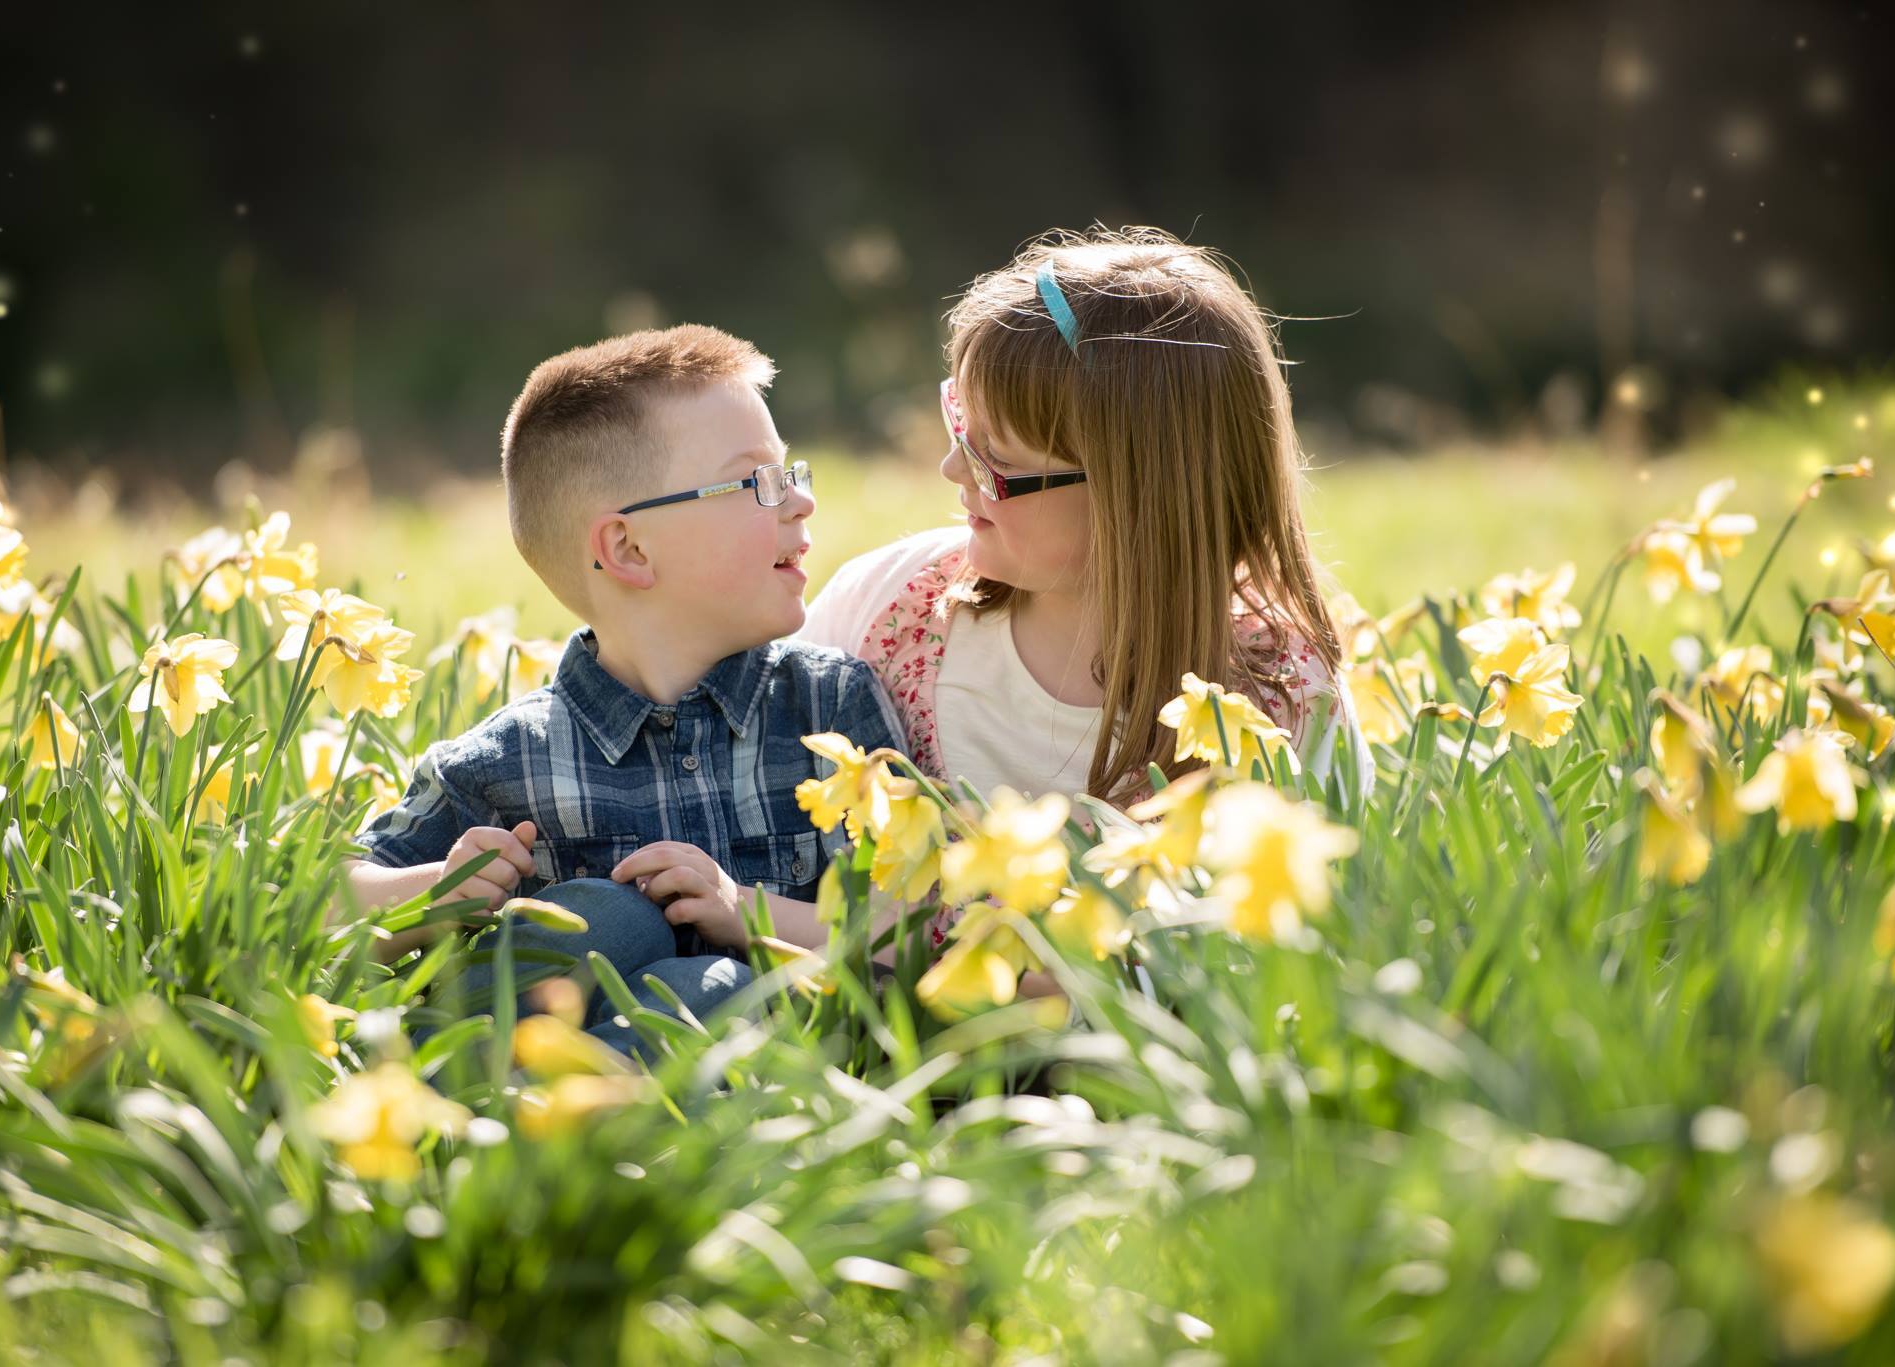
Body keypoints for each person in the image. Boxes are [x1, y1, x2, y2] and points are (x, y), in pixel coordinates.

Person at [800, 228, 1374, 945]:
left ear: (1138, 498)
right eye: (958, 425)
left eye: (994, 460)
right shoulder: (892, 607)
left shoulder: (1278, 703)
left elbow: (1294, 945)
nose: (952, 469)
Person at [344, 324, 905, 1056]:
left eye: (793, 474)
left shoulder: (832, 710)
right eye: (760, 482)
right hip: (552, 1048)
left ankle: (522, 1113)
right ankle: (493, 1095)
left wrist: (748, 914)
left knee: (725, 987)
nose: (801, 502)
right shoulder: (505, 763)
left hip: (769, 1104)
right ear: (629, 549)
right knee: (608, 920)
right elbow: (319, 903)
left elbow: (913, 932)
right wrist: (433, 892)